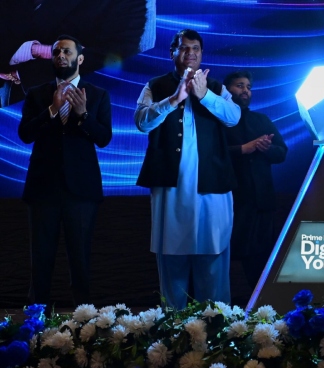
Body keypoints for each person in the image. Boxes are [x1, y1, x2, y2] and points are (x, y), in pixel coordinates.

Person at [135, 29, 241, 309]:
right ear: (172, 53)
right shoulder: (155, 86)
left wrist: (204, 95)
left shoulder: (216, 87)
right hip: (171, 189)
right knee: (172, 261)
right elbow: (142, 122)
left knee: (213, 258)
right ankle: (173, 327)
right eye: (183, 48)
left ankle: (216, 325)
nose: (190, 53)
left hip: (212, 187)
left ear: (202, 54)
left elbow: (233, 117)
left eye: (196, 48)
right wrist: (174, 99)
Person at [18, 34, 113, 306]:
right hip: (43, 189)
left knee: (80, 260)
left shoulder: (97, 95)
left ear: (79, 59)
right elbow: (25, 134)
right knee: (41, 260)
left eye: (67, 52)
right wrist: (52, 109)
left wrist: (83, 115)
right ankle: (37, 321)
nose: (61, 55)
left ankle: (85, 321)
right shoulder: (37, 93)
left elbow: (104, 138)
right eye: (56, 52)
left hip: (81, 191)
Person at [1, 0, 155, 107]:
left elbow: (113, 60)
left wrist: (28, 68)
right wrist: (33, 49)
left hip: (65, 103)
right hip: (14, 92)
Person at [223, 71, 288, 292]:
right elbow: (209, 154)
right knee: (225, 260)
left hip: (261, 204)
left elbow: (282, 153)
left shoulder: (262, 120)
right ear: (226, 90)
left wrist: (266, 148)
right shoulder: (217, 121)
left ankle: (260, 306)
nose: (245, 91)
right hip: (229, 203)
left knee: (260, 263)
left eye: (248, 87)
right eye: (240, 86)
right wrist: (244, 149)